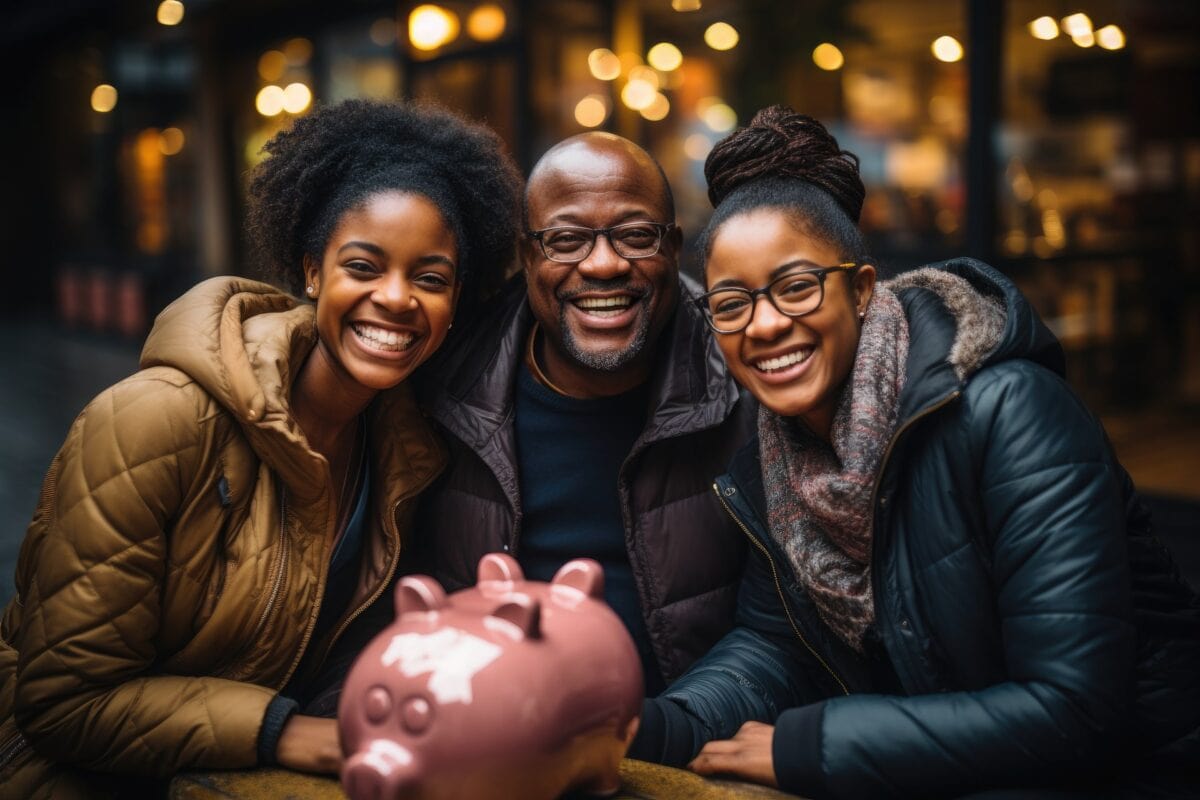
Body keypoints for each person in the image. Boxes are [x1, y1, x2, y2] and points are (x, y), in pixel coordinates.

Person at [630, 106, 1200, 798]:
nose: (767, 324)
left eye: (796, 286)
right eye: (731, 303)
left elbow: (1076, 707)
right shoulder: (775, 458)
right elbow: (773, 649)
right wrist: (650, 727)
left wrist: (812, 746)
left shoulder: (1010, 412)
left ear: (861, 289)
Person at [0, 99, 522, 797]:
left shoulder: (410, 451)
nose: (396, 299)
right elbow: (61, 705)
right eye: (363, 266)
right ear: (312, 269)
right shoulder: (154, 421)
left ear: (454, 302)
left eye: (430, 279)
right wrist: (281, 729)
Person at [403, 132, 755, 697]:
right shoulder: (439, 384)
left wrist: (669, 730)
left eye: (637, 235)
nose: (604, 264)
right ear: (527, 256)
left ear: (674, 247)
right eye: (566, 240)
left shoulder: (745, 379)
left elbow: (779, 630)